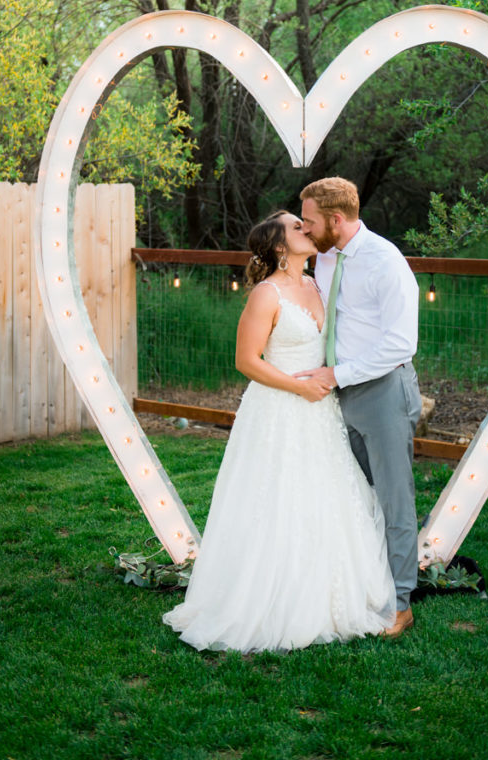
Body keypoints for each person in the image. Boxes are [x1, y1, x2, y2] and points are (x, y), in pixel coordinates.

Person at [162, 210, 396, 652]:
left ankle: (331, 593)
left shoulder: (317, 283)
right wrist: (298, 387)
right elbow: (247, 361)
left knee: (324, 494)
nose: (306, 229)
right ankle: (266, 600)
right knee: (276, 496)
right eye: (295, 226)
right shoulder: (266, 295)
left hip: (320, 410)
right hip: (278, 408)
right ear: (278, 247)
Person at [298, 177, 421, 638]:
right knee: (355, 496)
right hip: (338, 395)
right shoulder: (324, 259)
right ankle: (366, 585)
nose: (305, 229)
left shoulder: (385, 262)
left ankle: (401, 602)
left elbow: (400, 342)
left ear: (335, 219)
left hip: (384, 392)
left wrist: (337, 375)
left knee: (393, 498)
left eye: (310, 221)